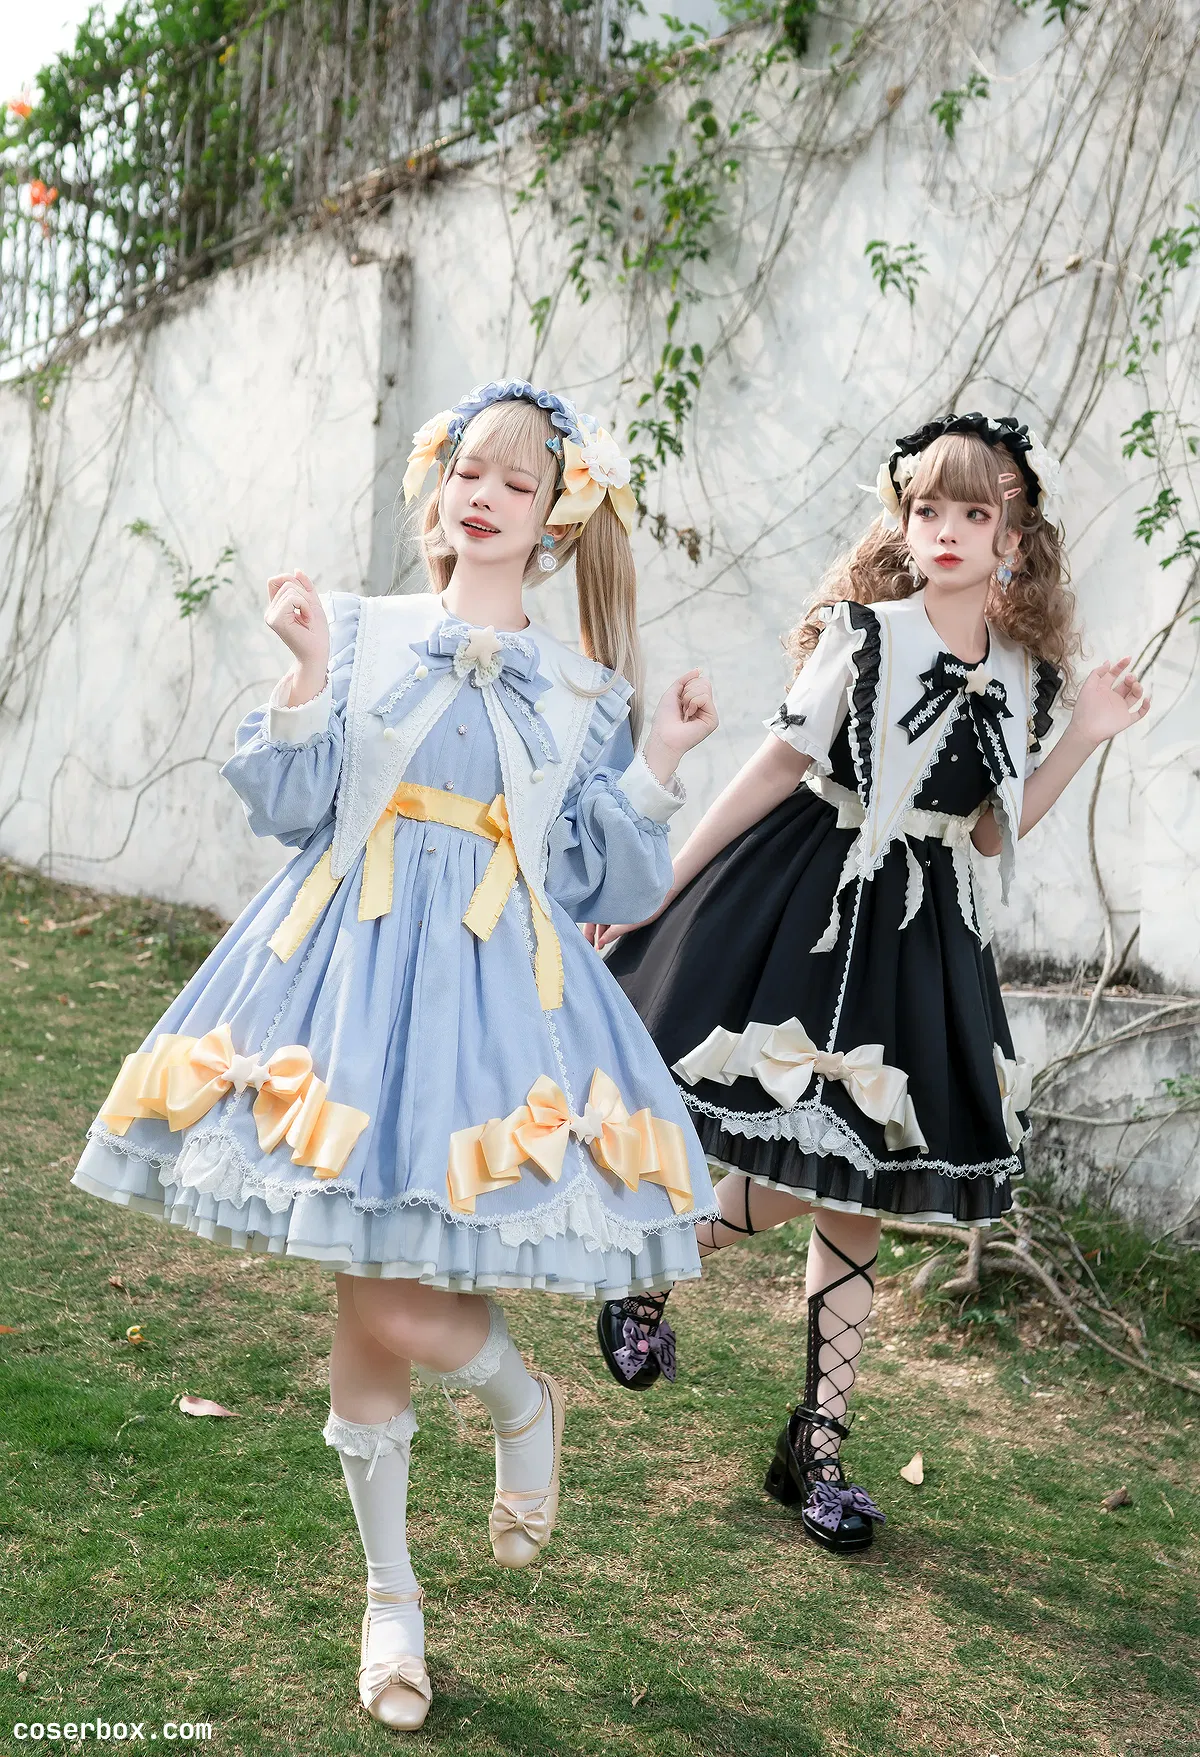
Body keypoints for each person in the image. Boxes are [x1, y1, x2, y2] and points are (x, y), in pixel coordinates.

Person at [71, 380, 719, 1729]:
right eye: (468, 470)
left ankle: (510, 1416)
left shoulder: (584, 689)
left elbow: (596, 873)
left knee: (387, 1296)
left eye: (517, 482)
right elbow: (291, 804)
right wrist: (307, 671)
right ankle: (400, 1584)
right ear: (439, 486)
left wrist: (660, 752)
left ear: (555, 519)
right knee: (366, 1292)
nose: (483, 496)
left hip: (487, 1010)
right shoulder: (362, 629)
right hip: (342, 984)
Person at [591, 413, 1149, 1553]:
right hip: (810, 900)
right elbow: (772, 769)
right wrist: (655, 883)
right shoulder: (863, 636)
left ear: (1013, 540)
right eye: (927, 508)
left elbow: (989, 833)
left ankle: (812, 1440)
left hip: (922, 929)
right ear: (903, 521)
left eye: (974, 512)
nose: (946, 529)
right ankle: (663, 1274)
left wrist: (1085, 732)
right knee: (823, 1170)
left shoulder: (1027, 676)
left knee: (861, 1187)